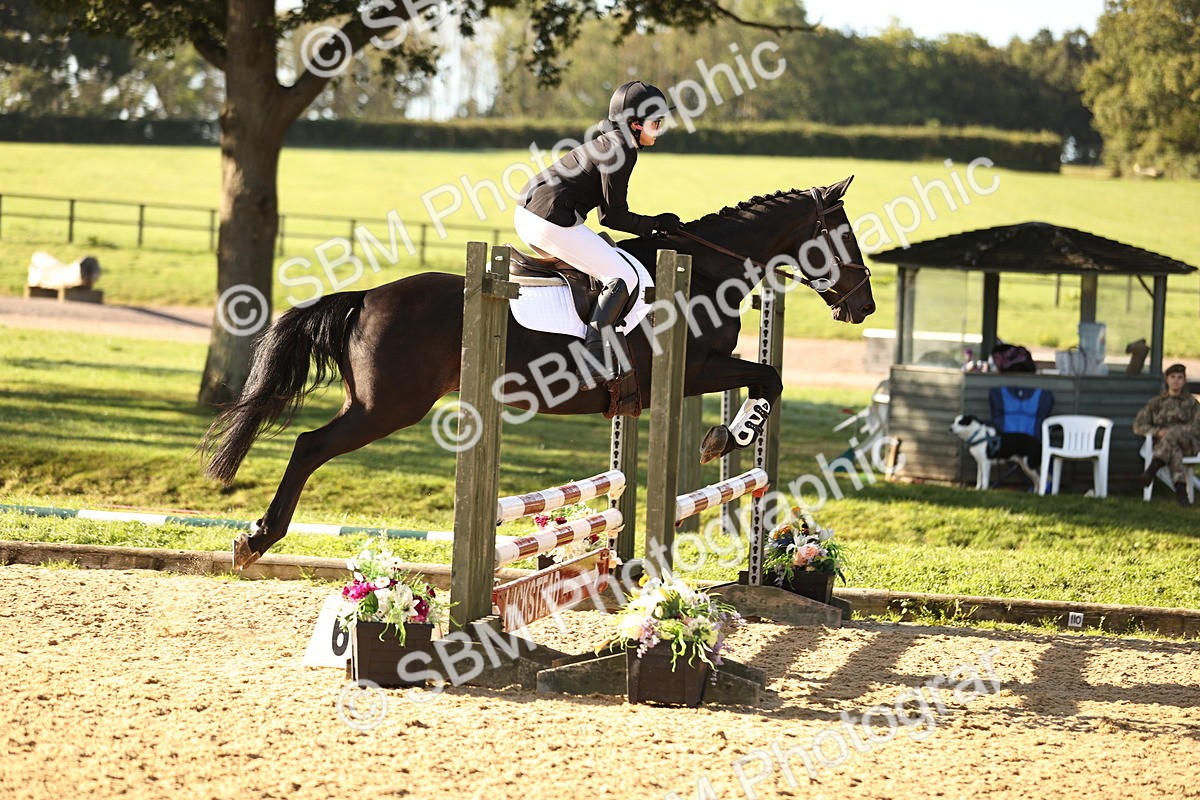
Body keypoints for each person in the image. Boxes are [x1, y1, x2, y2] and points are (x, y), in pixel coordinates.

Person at [515, 80, 681, 385]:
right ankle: (592, 359)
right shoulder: (622, 149)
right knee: (624, 277)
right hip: (548, 219)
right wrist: (656, 224)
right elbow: (612, 217)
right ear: (634, 124)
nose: (660, 128)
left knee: (609, 259)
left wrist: (653, 224)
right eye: (655, 122)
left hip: (540, 214)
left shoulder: (613, 140)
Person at [1134, 363, 1200, 506]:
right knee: (1174, 452)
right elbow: (1138, 425)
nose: (1176, 381)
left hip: (1188, 444)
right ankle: (1182, 497)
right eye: (1173, 377)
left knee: (1173, 434)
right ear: (1167, 379)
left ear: (1184, 380)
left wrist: (1175, 432)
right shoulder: (1156, 403)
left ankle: (1152, 470)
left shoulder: (1192, 403)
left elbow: (1197, 427)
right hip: (1165, 446)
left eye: (1180, 377)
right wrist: (1157, 432)